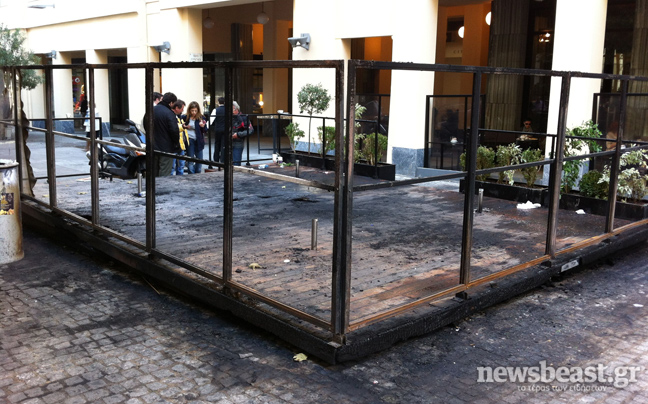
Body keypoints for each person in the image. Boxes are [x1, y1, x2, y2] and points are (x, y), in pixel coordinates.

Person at [152, 92, 181, 177]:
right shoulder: (169, 113)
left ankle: (154, 186)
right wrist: (176, 144)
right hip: (166, 148)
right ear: (171, 103)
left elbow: (146, 124)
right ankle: (162, 186)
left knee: (154, 172)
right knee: (165, 173)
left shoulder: (151, 110)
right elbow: (174, 130)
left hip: (153, 146)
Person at [182, 101, 207, 174]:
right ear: (189, 110)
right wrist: (184, 127)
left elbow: (205, 130)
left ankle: (197, 173)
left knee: (199, 160)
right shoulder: (185, 117)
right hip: (189, 139)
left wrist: (202, 126)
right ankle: (191, 174)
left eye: (195, 111)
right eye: (192, 110)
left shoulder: (201, 118)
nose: (194, 112)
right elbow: (181, 127)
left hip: (199, 140)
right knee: (191, 158)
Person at [231, 101, 253, 166]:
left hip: (238, 142)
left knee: (236, 163)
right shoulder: (226, 117)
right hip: (226, 142)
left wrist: (238, 134)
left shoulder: (243, 117)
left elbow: (250, 130)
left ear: (236, 109)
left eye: (232, 109)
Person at [172, 100, 189, 176]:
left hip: (181, 145)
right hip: (175, 145)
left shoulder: (180, 116)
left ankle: (180, 179)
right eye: (182, 108)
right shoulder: (171, 116)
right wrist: (182, 126)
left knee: (181, 165)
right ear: (176, 108)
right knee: (173, 166)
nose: (183, 110)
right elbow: (174, 128)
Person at [210, 97, 226, 163]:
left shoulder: (215, 110)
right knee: (223, 145)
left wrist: (206, 126)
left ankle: (216, 159)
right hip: (225, 129)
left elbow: (211, 120)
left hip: (218, 129)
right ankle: (223, 160)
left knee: (217, 144)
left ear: (218, 102)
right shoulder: (227, 110)